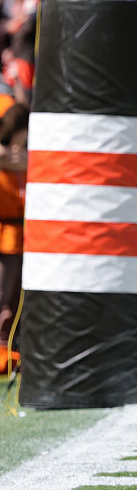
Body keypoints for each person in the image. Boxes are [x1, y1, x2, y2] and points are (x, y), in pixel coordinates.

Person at [0, 100, 27, 374]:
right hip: (5, 232)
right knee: (3, 296)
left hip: (19, 233)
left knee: (12, 300)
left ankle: (7, 352)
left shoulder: (20, 155)